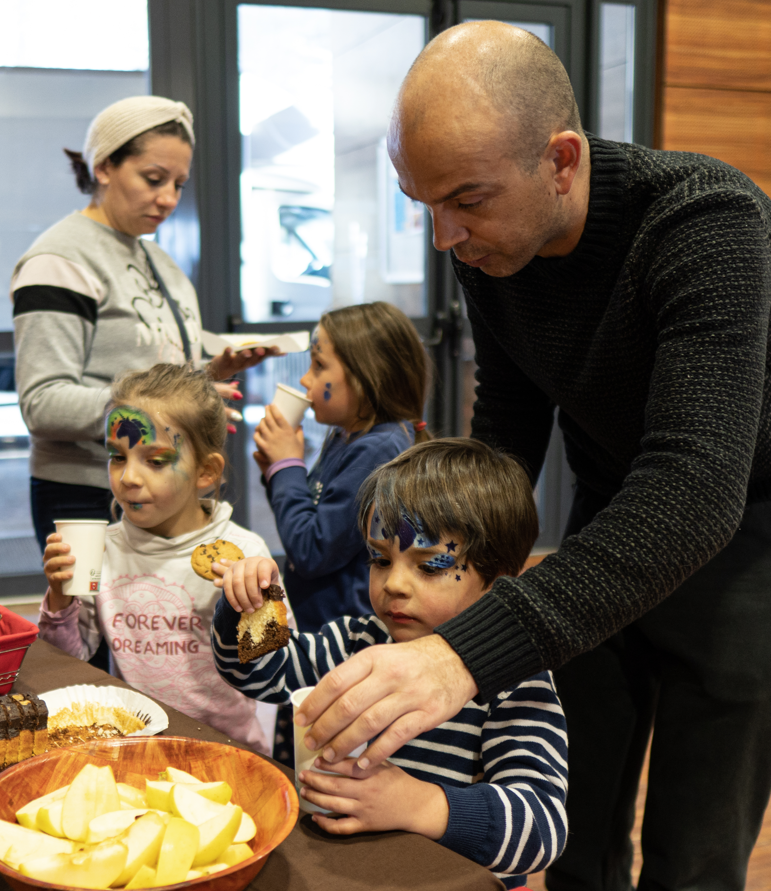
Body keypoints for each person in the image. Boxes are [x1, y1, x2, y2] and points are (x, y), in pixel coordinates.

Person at [293, 21, 771, 891]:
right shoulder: (491, 246)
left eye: (466, 200)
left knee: (697, 837)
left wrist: (463, 653)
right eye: (424, 202)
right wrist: (450, 559)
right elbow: (507, 427)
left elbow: (697, 484)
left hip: (744, 525)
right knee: (577, 806)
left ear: (560, 160)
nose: (444, 237)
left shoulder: (708, 221)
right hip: (612, 501)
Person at [214, 439, 563, 889]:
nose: (394, 583)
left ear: (497, 585)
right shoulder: (360, 640)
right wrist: (249, 607)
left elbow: (543, 827)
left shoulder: (516, 680)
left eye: (431, 566)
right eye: (380, 559)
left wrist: (417, 804)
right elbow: (264, 674)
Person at [12, 95, 276, 554]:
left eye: (178, 183)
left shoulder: (158, 259)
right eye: (153, 179)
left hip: (164, 485)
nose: (169, 198)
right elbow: (43, 403)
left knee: (157, 622)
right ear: (104, 166)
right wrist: (155, 418)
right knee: (87, 625)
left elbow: (150, 374)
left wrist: (207, 376)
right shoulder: (60, 258)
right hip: (86, 492)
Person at [38, 364, 275, 753]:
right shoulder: (103, 548)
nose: (128, 477)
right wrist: (60, 597)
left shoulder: (246, 553)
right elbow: (69, 663)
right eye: (117, 456)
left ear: (205, 472)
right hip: (135, 746)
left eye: (156, 460)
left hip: (228, 751)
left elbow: (274, 674)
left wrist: (254, 605)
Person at [252, 301, 429, 765]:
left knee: (325, 760)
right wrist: (278, 471)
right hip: (319, 626)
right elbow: (310, 518)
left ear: (367, 376)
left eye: (318, 365)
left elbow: (311, 549)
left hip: (341, 641)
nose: (307, 381)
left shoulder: (380, 448)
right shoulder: (348, 436)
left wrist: (287, 467)